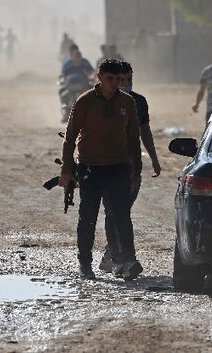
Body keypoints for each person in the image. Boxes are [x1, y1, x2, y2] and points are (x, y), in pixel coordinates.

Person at [60, 59, 143, 281]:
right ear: (99, 78)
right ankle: (85, 264)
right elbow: (69, 138)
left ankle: (127, 261)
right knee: (88, 218)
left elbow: (134, 140)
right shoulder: (85, 101)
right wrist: (66, 170)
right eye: (110, 79)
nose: (115, 83)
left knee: (121, 218)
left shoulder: (128, 102)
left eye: (118, 79)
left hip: (119, 168)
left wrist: (137, 171)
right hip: (91, 169)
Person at [99, 61, 162, 273]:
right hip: (106, 165)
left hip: (131, 167)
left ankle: (113, 254)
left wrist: (154, 158)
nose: (125, 84)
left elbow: (145, 132)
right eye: (121, 80)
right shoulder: (100, 100)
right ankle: (121, 258)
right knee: (114, 211)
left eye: (128, 80)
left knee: (121, 210)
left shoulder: (139, 102)